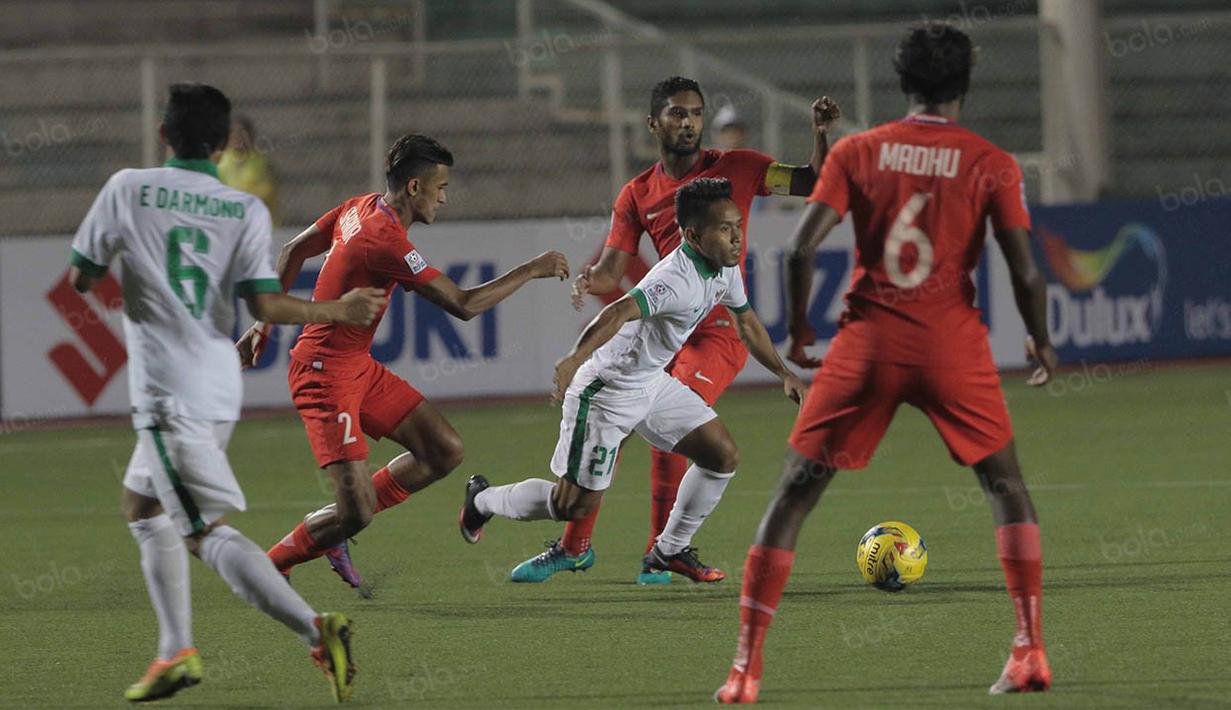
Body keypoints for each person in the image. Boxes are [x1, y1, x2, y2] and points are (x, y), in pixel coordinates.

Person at [715, 24, 1057, 704]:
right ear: (963, 84)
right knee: (1005, 486)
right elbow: (1024, 268)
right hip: (950, 345)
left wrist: (803, 330)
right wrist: (1040, 341)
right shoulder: (991, 161)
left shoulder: (857, 151)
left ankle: (744, 670)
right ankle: (1028, 651)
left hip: (868, 343)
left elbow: (801, 247)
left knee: (794, 493)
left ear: (903, 83)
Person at [69, 83, 384, 703]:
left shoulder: (127, 188)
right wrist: (339, 308)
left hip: (167, 391)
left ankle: (314, 630)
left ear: (164, 134)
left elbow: (83, 275)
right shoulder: (244, 210)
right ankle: (172, 650)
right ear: (220, 145)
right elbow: (264, 304)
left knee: (200, 532)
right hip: (217, 383)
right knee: (142, 508)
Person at [508, 76, 841, 584]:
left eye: (695, 113)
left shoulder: (742, 167)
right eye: (676, 114)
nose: (687, 123)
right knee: (612, 419)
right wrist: (587, 280)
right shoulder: (638, 192)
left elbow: (812, 180)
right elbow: (614, 267)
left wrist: (821, 135)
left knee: (675, 428)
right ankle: (576, 547)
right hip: (666, 329)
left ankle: (659, 552)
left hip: (720, 329)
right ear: (653, 123)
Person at [235, 134, 569, 591]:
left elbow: (292, 252)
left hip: (356, 365)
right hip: (323, 375)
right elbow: (464, 304)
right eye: (441, 186)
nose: (444, 197)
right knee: (357, 513)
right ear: (414, 187)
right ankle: (271, 565)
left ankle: (338, 526)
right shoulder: (383, 238)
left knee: (443, 449)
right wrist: (532, 269)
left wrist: (261, 327)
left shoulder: (360, 206)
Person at [459, 178, 806, 583]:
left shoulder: (722, 269)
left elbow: (746, 322)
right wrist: (574, 359)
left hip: (651, 384)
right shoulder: (674, 279)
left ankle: (669, 550)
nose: (736, 238)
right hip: (607, 389)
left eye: (738, 226)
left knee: (721, 455)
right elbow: (618, 312)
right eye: (725, 229)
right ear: (692, 235)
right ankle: (482, 499)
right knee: (571, 504)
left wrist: (784, 372)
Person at [218, 115, 279, 224]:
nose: (237, 137)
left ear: (250, 135)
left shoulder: (261, 162)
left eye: (242, 133)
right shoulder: (221, 163)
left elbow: (268, 192)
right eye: (233, 133)